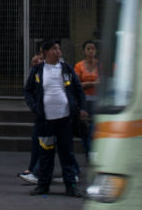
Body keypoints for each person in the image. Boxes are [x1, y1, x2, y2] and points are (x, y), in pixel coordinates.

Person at [24, 39, 86, 198]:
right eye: (54, 49)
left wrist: (81, 108)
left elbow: (78, 90)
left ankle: (71, 186)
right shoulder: (38, 71)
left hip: (64, 119)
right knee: (46, 154)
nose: (58, 51)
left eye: (59, 49)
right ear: (45, 52)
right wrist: (35, 107)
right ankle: (43, 186)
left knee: (66, 153)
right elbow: (28, 91)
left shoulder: (66, 69)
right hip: (45, 120)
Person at [18, 47, 45, 185]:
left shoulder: (60, 68)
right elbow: (29, 89)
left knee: (47, 143)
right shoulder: (37, 69)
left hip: (54, 113)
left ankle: (37, 171)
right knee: (37, 141)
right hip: (42, 112)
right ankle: (32, 169)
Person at [74, 40, 99, 161]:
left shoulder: (100, 65)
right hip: (83, 99)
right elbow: (77, 84)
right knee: (84, 127)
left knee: (94, 127)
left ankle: (91, 151)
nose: (91, 51)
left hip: (97, 100)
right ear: (84, 51)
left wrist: (87, 83)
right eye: (88, 49)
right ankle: (88, 150)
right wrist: (92, 83)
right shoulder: (79, 66)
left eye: (93, 48)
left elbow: (102, 83)